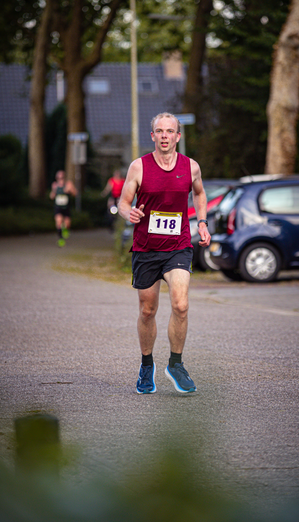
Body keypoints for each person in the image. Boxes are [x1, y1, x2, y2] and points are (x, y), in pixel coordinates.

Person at [118, 112, 211, 394]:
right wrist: (129, 212)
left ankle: (176, 363)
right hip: (146, 248)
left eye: (170, 131)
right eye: (159, 131)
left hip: (178, 246)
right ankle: (147, 365)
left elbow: (200, 193)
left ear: (178, 137)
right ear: (153, 136)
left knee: (181, 304)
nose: (165, 136)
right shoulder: (139, 167)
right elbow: (123, 202)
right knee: (148, 310)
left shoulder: (190, 166)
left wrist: (203, 222)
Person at [49, 170, 77, 247]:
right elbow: (51, 196)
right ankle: (60, 239)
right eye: (59, 177)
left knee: (67, 224)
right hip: (58, 207)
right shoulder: (54, 185)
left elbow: (75, 193)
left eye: (62, 177)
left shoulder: (68, 184)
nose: (60, 179)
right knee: (59, 222)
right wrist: (54, 192)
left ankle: (65, 229)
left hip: (66, 207)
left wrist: (70, 191)